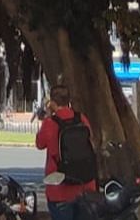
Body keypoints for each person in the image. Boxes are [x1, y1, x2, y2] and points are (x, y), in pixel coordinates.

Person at [36, 85, 97, 220]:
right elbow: (91, 141)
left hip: (59, 190)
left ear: (52, 101)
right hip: (85, 186)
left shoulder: (50, 123)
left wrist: (47, 115)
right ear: (68, 99)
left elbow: (39, 144)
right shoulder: (81, 119)